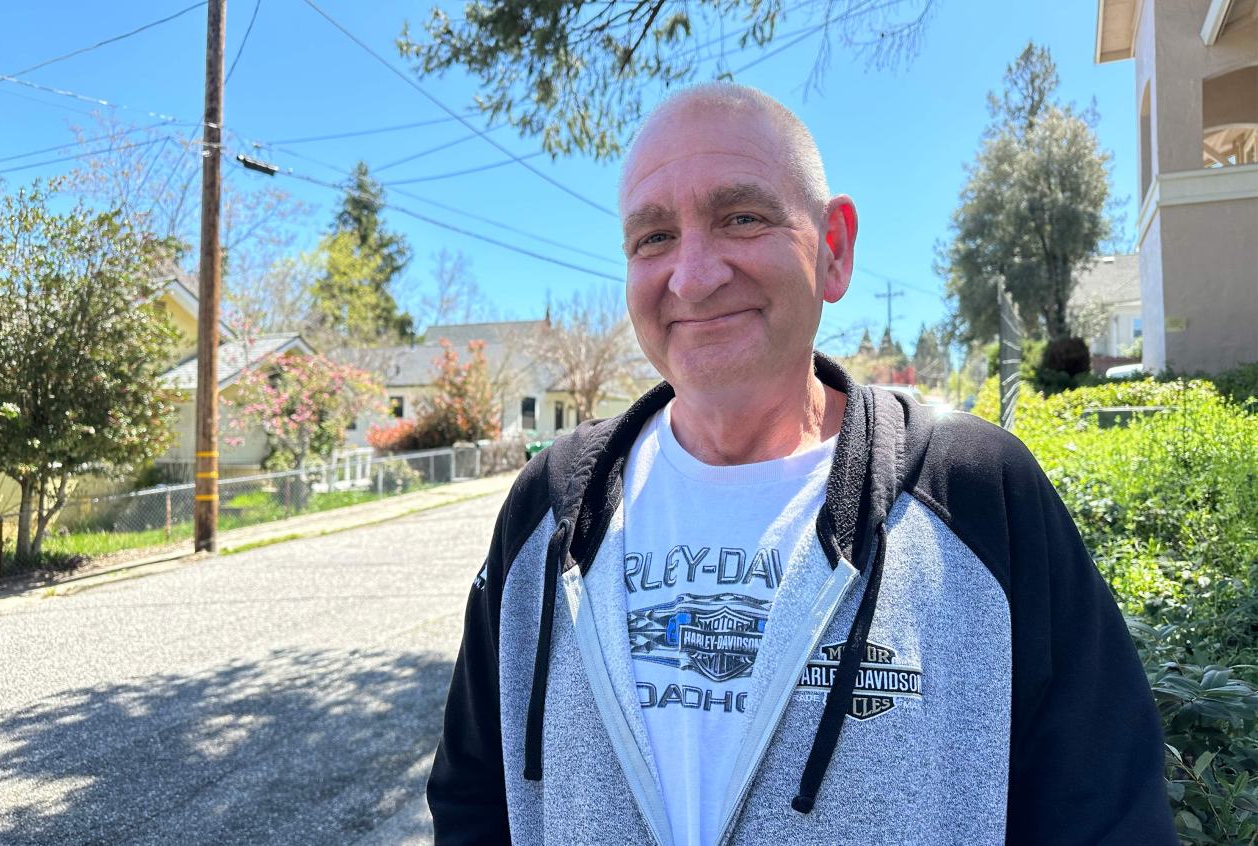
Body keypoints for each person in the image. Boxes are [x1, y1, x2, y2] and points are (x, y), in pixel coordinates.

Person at [426, 83, 1176, 846]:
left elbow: (1108, 812)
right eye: (652, 237)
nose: (691, 276)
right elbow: (471, 802)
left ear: (834, 250)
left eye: (741, 218)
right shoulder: (550, 506)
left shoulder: (977, 493)